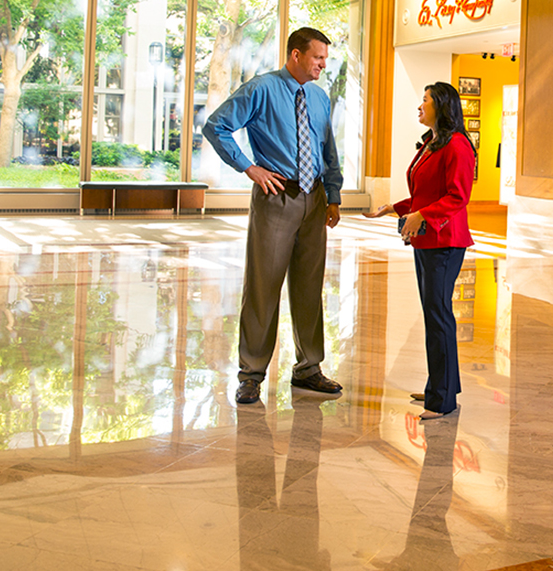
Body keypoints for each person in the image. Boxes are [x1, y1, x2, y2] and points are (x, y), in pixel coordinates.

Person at [203, 26, 344, 404]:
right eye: (317, 58)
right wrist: (250, 168)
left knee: (309, 288)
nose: (322, 65)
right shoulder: (261, 89)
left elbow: (327, 148)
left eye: (325, 59)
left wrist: (333, 194)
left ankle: (309, 368)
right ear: (295, 55)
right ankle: (251, 374)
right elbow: (216, 126)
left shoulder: (319, 98)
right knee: (263, 288)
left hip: (314, 201)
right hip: (276, 197)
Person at [364, 83, 475, 420]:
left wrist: (422, 215)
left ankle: (441, 401)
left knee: (438, 315)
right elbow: (426, 193)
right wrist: (394, 208)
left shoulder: (457, 146)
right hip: (427, 239)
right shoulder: (432, 143)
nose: (419, 105)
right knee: (434, 315)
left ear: (441, 105)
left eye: (424, 100)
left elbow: (458, 197)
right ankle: (440, 386)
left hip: (445, 241)